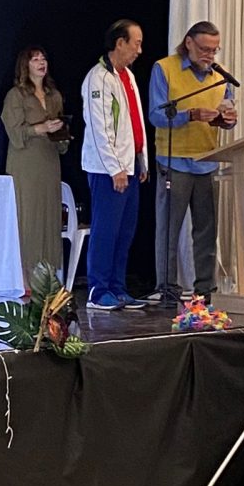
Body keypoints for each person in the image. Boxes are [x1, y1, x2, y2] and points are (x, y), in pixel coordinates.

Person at [147, 20, 237, 304]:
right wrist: (190, 115)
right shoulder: (164, 69)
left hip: (207, 161)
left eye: (214, 50)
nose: (209, 55)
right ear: (188, 43)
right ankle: (167, 288)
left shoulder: (220, 77)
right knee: (169, 230)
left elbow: (227, 113)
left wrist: (226, 119)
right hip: (174, 161)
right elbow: (156, 115)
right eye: (204, 49)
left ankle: (205, 290)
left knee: (207, 232)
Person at [81, 19, 149, 310]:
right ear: (119, 43)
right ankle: (98, 291)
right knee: (106, 229)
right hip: (107, 169)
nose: (139, 50)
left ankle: (117, 287)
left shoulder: (127, 76)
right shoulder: (98, 78)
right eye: (136, 43)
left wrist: (142, 159)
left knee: (124, 231)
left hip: (129, 165)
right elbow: (101, 129)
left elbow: (135, 120)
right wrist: (115, 168)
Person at [2, 46, 68, 289]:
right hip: (26, 164)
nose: (41, 63)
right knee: (27, 217)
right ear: (25, 65)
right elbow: (14, 132)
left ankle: (46, 276)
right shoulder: (16, 95)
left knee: (49, 218)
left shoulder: (54, 96)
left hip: (49, 162)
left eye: (44, 58)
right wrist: (40, 129)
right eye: (35, 59)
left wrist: (62, 133)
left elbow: (60, 135)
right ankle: (24, 277)